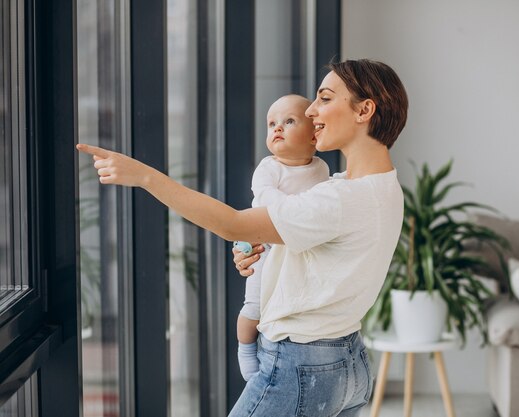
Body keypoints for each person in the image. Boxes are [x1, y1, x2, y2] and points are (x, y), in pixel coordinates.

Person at [77, 58, 409, 417]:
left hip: (303, 365)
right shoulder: (378, 187)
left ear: (364, 110)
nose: (312, 111)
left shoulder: (338, 199)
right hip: (349, 362)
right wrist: (267, 250)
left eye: (325, 98)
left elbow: (233, 223)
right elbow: (319, 252)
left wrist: (145, 177)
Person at [235, 94, 330, 381]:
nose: (277, 128)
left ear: (314, 137)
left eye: (289, 121)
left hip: (296, 249)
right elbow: (265, 197)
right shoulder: (268, 167)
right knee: (254, 306)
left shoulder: (322, 169)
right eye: (272, 123)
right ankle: (245, 347)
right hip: (263, 244)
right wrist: (295, 214)